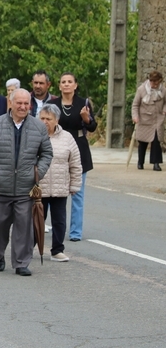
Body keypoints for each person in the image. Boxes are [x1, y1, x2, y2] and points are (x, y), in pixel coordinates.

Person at [0, 89, 52, 276]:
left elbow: (46, 153)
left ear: (30, 105)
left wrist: (37, 174)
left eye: (26, 103)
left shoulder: (38, 126)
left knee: (24, 228)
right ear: (10, 103)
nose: (22, 107)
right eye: (19, 103)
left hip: (24, 189)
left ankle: (21, 262)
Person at [51, 73, 96, 242]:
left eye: (70, 82)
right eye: (64, 82)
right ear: (59, 85)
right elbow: (44, 123)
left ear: (75, 85)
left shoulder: (83, 103)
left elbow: (92, 127)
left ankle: (75, 232)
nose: (67, 84)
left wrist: (86, 118)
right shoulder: (53, 104)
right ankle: (55, 229)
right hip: (57, 148)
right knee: (54, 192)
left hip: (79, 147)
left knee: (77, 193)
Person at [37, 104, 82, 262]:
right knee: (36, 221)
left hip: (59, 188)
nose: (44, 122)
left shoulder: (67, 137)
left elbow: (75, 163)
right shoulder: (32, 135)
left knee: (59, 221)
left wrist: (75, 185)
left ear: (57, 120)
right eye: (42, 118)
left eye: (48, 119)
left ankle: (57, 250)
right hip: (38, 188)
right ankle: (29, 247)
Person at [132, 70, 166, 171]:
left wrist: (164, 111)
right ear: (150, 80)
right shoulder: (141, 89)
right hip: (144, 119)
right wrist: (135, 116)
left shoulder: (163, 90)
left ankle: (156, 163)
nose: (155, 85)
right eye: (153, 83)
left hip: (157, 119)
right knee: (142, 142)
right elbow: (135, 105)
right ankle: (140, 162)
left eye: (157, 83)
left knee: (156, 141)